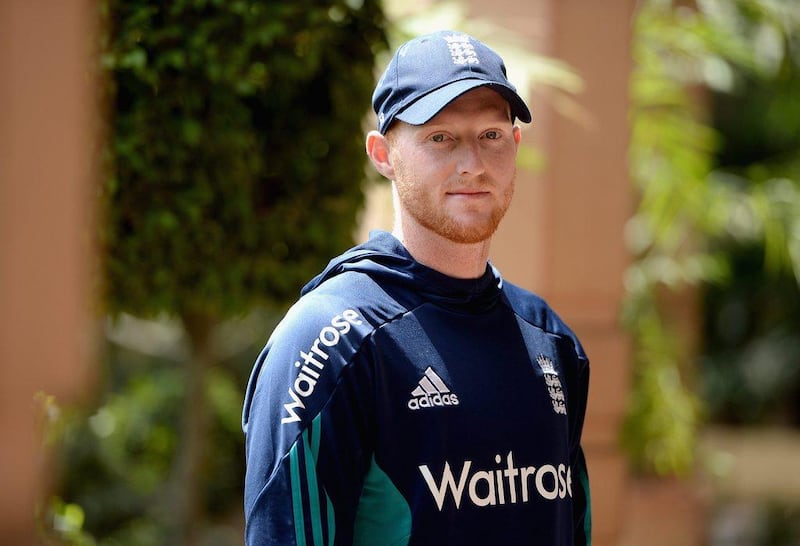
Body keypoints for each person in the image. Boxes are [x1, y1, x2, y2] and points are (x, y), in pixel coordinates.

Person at [242, 30, 591, 545]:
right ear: (383, 154)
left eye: (491, 135)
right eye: (440, 137)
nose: (472, 163)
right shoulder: (330, 342)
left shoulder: (551, 340)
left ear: (515, 145)